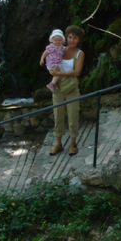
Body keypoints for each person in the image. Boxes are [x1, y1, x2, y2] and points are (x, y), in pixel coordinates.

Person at [49, 25, 85, 156]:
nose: (71, 40)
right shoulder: (60, 50)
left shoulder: (80, 54)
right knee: (58, 115)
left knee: (73, 116)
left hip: (72, 89)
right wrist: (51, 70)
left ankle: (73, 144)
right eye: (69, 37)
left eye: (74, 38)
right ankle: (58, 143)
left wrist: (61, 74)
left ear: (79, 40)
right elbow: (51, 62)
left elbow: (77, 72)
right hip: (58, 89)